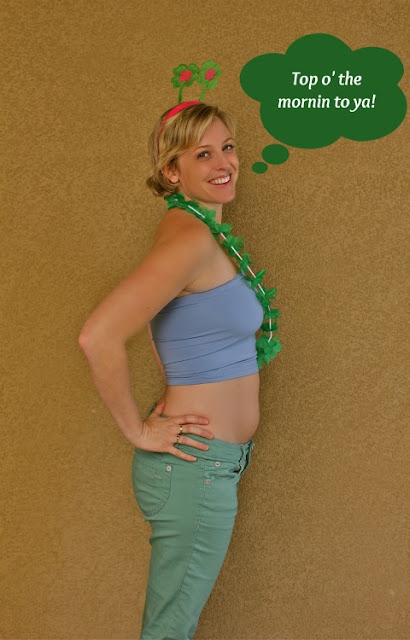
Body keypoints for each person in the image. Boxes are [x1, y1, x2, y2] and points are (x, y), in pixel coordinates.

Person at [78, 102, 271, 639]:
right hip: (194, 468)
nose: (223, 163)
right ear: (171, 171)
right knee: (168, 632)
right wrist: (139, 431)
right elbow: (98, 337)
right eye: (202, 154)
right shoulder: (190, 238)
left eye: (227, 147)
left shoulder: (195, 229)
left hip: (208, 464)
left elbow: (164, 319)